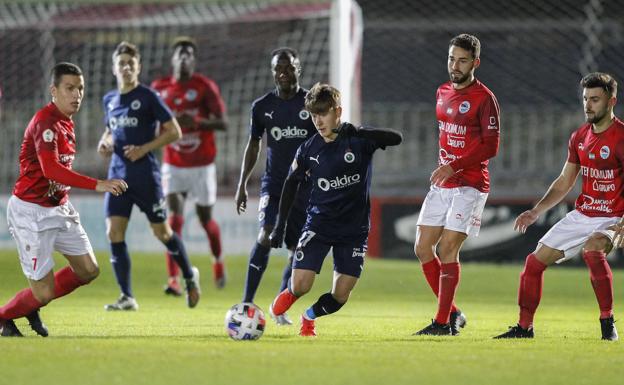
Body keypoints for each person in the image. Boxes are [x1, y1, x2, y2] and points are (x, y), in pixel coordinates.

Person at [0, 62, 128, 337]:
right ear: (53, 90)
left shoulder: (65, 122)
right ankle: (4, 316)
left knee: (88, 270)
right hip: (31, 213)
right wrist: (98, 184)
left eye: (80, 89)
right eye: (69, 88)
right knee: (43, 293)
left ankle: (30, 303)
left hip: (58, 207)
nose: (76, 95)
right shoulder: (45, 122)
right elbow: (51, 169)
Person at [495, 72, 623, 341]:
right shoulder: (579, 137)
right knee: (533, 263)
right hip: (584, 213)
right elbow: (565, 181)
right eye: (586, 99)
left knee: (592, 251)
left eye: (595, 99)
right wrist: (536, 210)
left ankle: (607, 322)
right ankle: (524, 327)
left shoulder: (621, 137)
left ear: (612, 101)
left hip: (614, 215)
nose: (588, 105)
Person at [269, 83, 402, 336]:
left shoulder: (358, 140)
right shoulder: (308, 149)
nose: (318, 120)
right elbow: (290, 184)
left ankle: (308, 317)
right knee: (300, 286)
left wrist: (362, 132)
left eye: (323, 113)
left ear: (337, 112)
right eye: (313, 114)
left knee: (340, 295)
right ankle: (276, 308)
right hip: (319, 225)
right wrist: (280, 226)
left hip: (354, 230)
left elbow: (396, 138)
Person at [97, 41, 200, 311]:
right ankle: (127, 297)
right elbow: (110, 130)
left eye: (131, 63)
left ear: (138, 67)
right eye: (122, 63)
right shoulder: (109, 99)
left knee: (162, 232)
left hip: (144, 176)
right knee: (114, 231)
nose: (126, 67)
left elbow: (174, 130)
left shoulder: (149, 96)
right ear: (114, 68)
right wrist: (105, 142)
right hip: (117, 176)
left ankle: (189, 277)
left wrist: (144, 148)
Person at [413, 33, 501, 336]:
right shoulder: (441, 92)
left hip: (470, 184)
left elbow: (491, 147)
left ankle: (442, 324)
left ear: (475, 62)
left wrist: (454, 165)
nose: (455, 65)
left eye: (463, 60)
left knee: (448, 248)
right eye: (452, 58)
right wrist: (445, 167)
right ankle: (453, 313)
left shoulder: (485, 99)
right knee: (423, 247)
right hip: (444, 183)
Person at [235, 47, 316, 325]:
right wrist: (242, 183)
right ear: (272, 72)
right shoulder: (262, 107)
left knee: (297, 248)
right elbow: (254, 144)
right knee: (266, 234)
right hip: (275, 184)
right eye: (278, 68)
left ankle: (278, 307)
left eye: (289, 67)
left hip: (305, 188)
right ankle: (246, 302)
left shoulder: (311, 103)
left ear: (298, 69)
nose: (283, 73)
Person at [151, 37, 227, 295]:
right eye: (180, 54)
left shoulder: (204, 86)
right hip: (173, 164)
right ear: (173, 58)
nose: (184, 58)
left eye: (189, 55)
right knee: (173, 219)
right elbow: (152, 124)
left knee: (206, 221)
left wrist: (195, 120)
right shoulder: (158, 88)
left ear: (194, 60)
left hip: (202, 165)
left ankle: (217, 261)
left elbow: (223, 123)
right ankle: (173, 279)